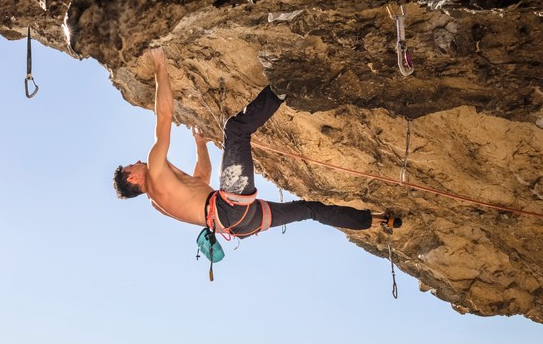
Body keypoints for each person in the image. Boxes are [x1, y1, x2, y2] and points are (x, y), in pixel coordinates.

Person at [113, 47, 400, 242]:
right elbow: (163, 117)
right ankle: (283, 86)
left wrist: (200, 144)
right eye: (132, 164)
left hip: (241, 225)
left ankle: (377, 220)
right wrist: (160, 65)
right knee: (235, 129)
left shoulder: (160, 202)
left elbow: (201, 180)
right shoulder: (155, 170)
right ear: (133, 177)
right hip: (231, 208)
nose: (138, 160)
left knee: (310, 210)